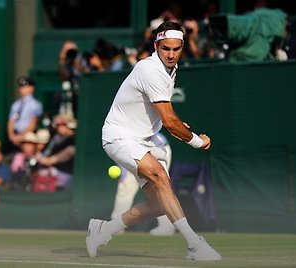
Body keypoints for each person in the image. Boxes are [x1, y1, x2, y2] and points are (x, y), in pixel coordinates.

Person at [86, 21, 221, 261]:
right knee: (159, 174)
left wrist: (176, 125)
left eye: (176, 49)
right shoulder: (150, 69)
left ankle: (103, 230)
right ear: (156, 45)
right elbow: (169, 121)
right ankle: (194, 244)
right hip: (118, 136)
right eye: (165, 48)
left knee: (160, 204)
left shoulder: (170, 69)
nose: (170, 54)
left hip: (141, 140)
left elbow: (163, 116)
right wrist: (197, 142)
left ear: (182, 48)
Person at [110, 132, 176, 236]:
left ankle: (167, 226)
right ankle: (116, 226)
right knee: (125, 187)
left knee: (158, 188)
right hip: (134, 151)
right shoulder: (114, 131)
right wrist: (124, 173)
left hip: (157, 148)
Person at [36, 113, 76, 190]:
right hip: (47, 174)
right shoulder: (55, 137)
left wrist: (50, 160)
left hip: (65, 175)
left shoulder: (74, 139)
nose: (59, 127)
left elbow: (69, 152)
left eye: (62, 124)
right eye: (57, 124)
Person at [6, 76, 43, 148]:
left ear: (31, 88)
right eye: (21, 86)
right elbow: (11, 121)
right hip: (15, 136)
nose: (21, 89)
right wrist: (11, 136)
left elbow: (33, 124)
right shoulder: (16, 104)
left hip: (27, 137)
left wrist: (20, 137)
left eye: (25, 87)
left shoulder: (35, 104)